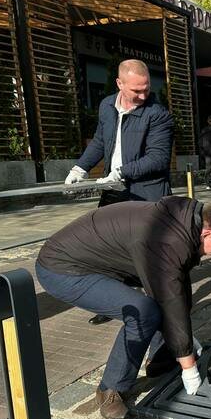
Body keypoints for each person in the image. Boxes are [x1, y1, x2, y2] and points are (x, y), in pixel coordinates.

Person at [36, 197, 211, 419]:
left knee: (167, 302)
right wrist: (189, 367)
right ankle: (110, 389)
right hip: (62, 268)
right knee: (143, 312)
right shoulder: (169, 239)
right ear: (207, 233)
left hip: (94, 260)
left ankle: (160, 359)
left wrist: (185, 340)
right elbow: (169, 301)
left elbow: (177, 290)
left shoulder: (184, 220)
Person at [64, 59, 175, 326]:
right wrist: (80, 167)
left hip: (147, 192)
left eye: (146, 89)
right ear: (119, 84)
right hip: (113, 189)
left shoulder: (158, 114)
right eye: (136, 90)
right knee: (108, 246)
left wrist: (123, 171)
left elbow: (158, 159)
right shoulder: (106, 106)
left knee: (148, 251)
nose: (143, 95)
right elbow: (101, 142)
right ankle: (115, 302)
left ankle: (160, 306)